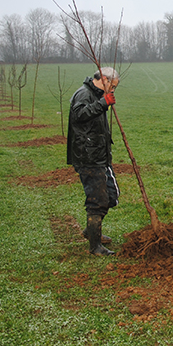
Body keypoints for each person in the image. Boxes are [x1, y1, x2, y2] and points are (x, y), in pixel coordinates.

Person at [67, 67, 121, 255]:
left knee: (111, 195)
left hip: (99, 155)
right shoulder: (84, 94)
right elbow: (78, 115)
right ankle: (95, 246)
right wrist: (102, 103)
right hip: (88, 157)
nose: (112, 91)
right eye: (112, 86)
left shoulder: (95, 94)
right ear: (104, 79)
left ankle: (91, 230)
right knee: (97, 200)